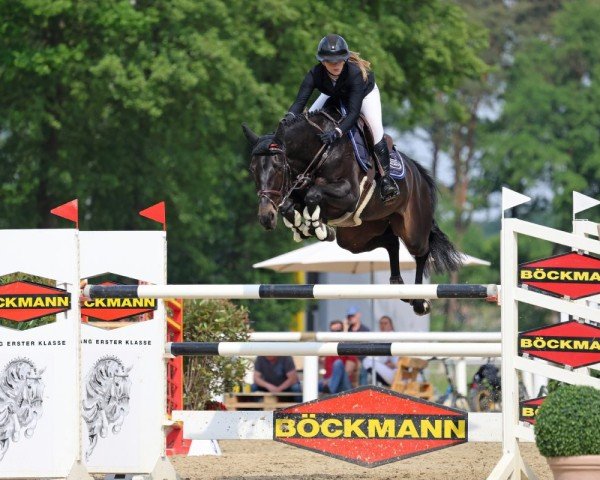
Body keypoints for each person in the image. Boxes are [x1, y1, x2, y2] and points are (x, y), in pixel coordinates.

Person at [285, 33, 400, 202]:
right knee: (307, 121)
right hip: (335, 92)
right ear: (322, 62)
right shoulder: (314, 74)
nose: (336, 64)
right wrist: (288, 118)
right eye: (331, 62)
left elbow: (353, 113)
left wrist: (337, 132)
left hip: (364, 94)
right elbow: (300, 102)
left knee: (375, 130)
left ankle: (386, 179)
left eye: (340, 60)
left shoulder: (354, 74)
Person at [320, 320, 358, 394]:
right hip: (327, 383)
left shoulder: (348, 347)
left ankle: (330, 392)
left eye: (338, 331)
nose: (335, 334)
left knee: (338, 363)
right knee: (306, 384)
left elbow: (348, 371)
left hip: (344, 385)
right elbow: (320, 360)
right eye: (333, 331)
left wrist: (330, 381)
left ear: (342, 331)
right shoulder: (327, 348)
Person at [363, 315, 398, 386]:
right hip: (387, 369)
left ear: (391, 325)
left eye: (385, 323)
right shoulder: (380, 337)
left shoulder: (393, 336)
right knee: (367, 362)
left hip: (396, 371)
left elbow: (384, 358)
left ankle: (363, 388)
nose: (383, 325)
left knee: (367, 361)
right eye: (381, 323)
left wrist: (394, 364)